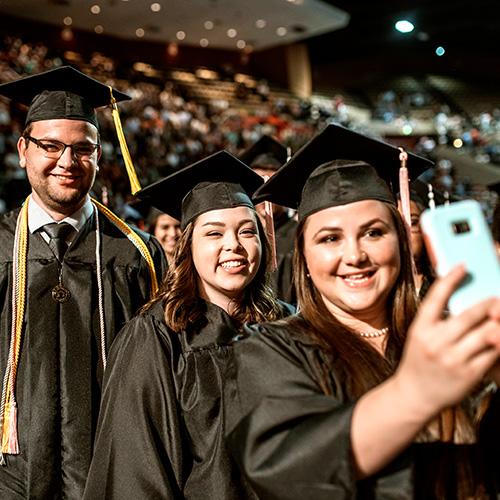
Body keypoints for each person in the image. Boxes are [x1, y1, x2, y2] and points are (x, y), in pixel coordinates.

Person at [225, 124, 500, 499]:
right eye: (330, 238)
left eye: (373, 233)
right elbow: (287, 468)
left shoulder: (448, 334)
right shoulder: (270, 352)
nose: (354, 255)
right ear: (303, 256)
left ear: (400, 241)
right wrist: (415, 392)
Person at [83, 151, 294, 499]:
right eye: (214, 233)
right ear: (188, 245)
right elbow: (136, 471)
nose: (233, 245)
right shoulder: (156, 337)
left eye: (247, 231)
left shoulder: (286, 326)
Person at [0, 66, 166, 499]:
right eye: (50, 146)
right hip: (10, 476)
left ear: (99, 155)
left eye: (83, 149)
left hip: (110, 469)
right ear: (23, 150)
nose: (67, 162)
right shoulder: (0, 245)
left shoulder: (137, 254)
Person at [240, 135, 297, 304]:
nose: (264, 194)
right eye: (258, 185)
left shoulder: (298, 235)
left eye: (271, 184)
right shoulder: (239, 236)